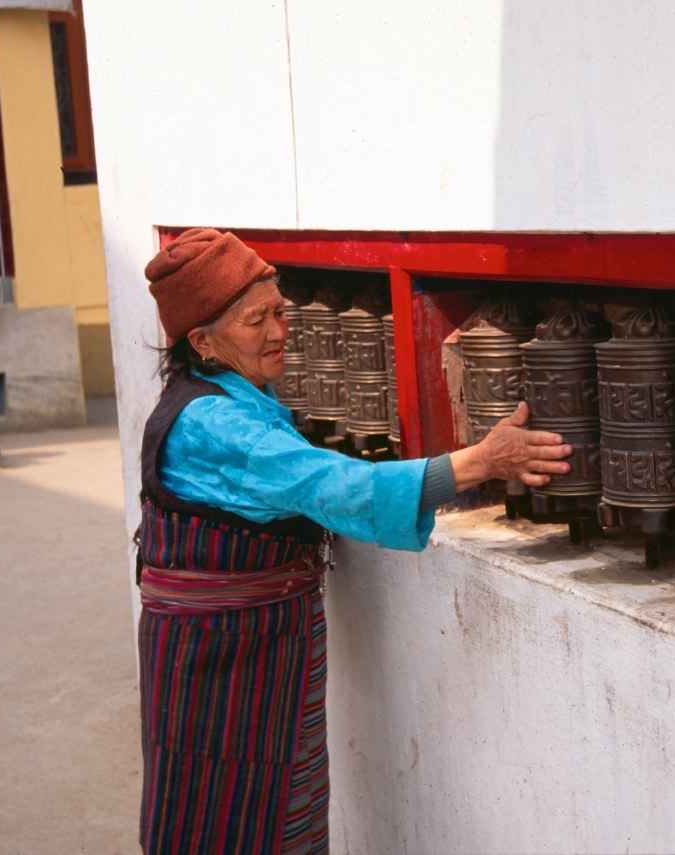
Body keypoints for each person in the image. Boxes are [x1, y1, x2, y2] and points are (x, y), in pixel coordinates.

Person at [137, 228, 571, 855]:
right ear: (202, 342)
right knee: (223, 814)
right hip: (221, 661)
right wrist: (480, 461)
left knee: (281, 800)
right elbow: (334, 483)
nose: (279, 331)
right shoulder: (215, 422)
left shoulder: (237, 394)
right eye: (256, 320)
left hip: (260, 648)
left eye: (279, 310)